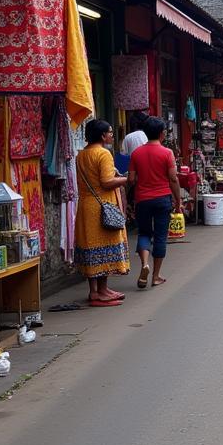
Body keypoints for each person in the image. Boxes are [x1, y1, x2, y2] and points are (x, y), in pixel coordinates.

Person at [74, 120, 130, 306]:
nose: (112, 135)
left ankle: (96, 290)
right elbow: (106, 182)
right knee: (106, 245)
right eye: (110, 132)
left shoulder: (81, 155)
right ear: (101, 135)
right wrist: (125, 179)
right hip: (102, 206)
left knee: (92, 248)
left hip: (86, 206)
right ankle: (101, 291)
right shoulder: (103, 154)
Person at [127, 116, 182, 288]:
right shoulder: (167, 153)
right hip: (162, 199)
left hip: (142, 199)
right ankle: (156, 276)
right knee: (160, 236)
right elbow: (173, 179)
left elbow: (131, 179)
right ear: (161, 134)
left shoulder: (136, 153)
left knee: (144, 233)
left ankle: (144, 264)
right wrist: (178, 200)